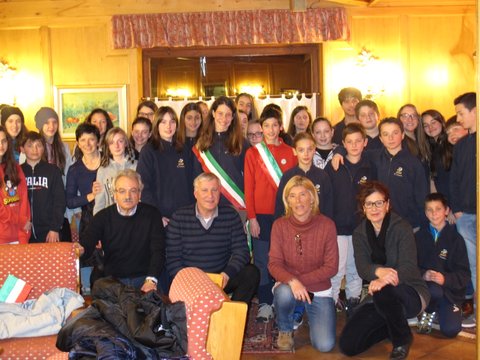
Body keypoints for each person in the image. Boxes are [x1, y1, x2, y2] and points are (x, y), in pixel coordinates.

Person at [339, 181, 430, 360]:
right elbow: (362, 268)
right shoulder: (360, 233)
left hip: (411, 291)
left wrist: (384, 280)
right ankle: (391, 327)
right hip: (380, 297)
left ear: (387, 204)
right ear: (363, 208)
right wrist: (379, 272)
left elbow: (409, 267)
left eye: (379, 202)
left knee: (384, 290)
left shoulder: (402, 227)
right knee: (348, 345)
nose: (374, 208)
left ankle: (402, 340)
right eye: (369, 204)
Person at [166, 172, 259, 304]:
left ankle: (231, 315)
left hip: (221, 278)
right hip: (191, 282)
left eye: (214, 190)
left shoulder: (230, 216)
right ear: (195, 194)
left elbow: (242, 252)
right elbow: (173, 260)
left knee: (251, 273)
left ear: (220, 193)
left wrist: (226, 274)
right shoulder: (179, 218)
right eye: (204, 190)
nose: (210, 196)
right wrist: (195, 282)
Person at [269, 175, 338, 352]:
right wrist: (293, 282)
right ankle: (285, 329)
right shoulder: (279, 225)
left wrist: (299, 281)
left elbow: (331, 267)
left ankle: (302, 307)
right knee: (283, 293)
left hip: (318, 290)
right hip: (290, 288)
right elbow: (274, 264)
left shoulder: (327, 225)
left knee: (325, 345)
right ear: (287, 200)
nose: (298, 201)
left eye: (303, 195)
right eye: (292, 196)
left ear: (312, 198)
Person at [244, 107, 297, 322]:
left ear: (281, 127)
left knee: (285, 259)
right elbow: (249, 186)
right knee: (262, 261)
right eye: (266, 126)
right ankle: (265, 302)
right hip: (261, 216)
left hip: (284, 216)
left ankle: (283, 300)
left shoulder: (290, 152)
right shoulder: (253, 153)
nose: (271, 129)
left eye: (275, 125)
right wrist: (252, 217)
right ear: (261, 129)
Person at [78, 169, 165, 292]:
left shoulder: (152, 215)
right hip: (113, 281)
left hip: (145, 279)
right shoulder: (102, 217)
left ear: (140, 194)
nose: (128, 196)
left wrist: (151, 280)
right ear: (115, 194)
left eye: (133, 191)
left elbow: (158, 251)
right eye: (122, 191)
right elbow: (87, 242)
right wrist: (80, 249)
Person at [325, 123, 374, 313]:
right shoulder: (334, 166)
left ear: (365, 142)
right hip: (337, 226)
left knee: (356, 266)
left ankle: (353, 299)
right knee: (337, 267)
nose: (354, 145)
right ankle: (332, 299)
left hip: (360, 227)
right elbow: (327, 196)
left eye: (358, 141)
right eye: (349, 142)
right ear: (343, 144)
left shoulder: (370, 167)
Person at [415, 193, 470, 337]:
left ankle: (442, 309)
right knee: (434, 291)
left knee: (451, 330)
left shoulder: (457, 239)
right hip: (429, 289)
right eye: (429, 209)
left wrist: (445, 279)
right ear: (425, 212)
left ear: (446, 211)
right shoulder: (418, 237)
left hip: (449, 292)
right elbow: (410, 266)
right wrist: (423, 274)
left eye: (438, 209)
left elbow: (464, 275)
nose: (434, 213)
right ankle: (428, 310)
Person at [137, 106, 193, 226]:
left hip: (186, 216)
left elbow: (192, 183)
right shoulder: (148, 151)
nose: (168, 126)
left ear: (177, 125)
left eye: (172, 122)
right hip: (161, 218)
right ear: (157, 125)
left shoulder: (184, 149)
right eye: (163, 122)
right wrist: (156, 216)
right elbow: (143, 187)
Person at [450, 92, 477, 327]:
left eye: (461, 113)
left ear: (475, 110)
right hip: (466, 216)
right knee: (474, 266)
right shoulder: (463, 145)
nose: (458, 119)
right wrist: (457, 210)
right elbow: (454, 180)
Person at [193, 96, 249, 210]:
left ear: (233, 117)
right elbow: (196, 177)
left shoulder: (242, 143)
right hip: (208, 205)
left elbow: (249, 177)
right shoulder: (200, 143)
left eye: (228, 114)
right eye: (220, 113)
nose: (224, 118)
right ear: (213, 113)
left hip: (236, 205)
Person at [35, 106, 74, 241]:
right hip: (40, 207)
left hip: (60, 204)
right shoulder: (32, 147)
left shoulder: (64, 147)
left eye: (54, 122)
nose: (51, 126)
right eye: (46, 122)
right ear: (40, 125)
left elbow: (69, 176)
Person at [21, 131, 66, 243]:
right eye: (30, 145)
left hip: (49, 232)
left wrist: (55, 228)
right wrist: (21, 221)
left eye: (39, 145)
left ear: (44, 148)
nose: (35, 150)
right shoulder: (17, 172)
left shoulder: (53, 171)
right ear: (22, 149)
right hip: (24, 230)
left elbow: (60, 201)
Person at [93, 127, 137, 215]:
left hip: (134, 216)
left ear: (125, 143)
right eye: (112, 143)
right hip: (111, 217)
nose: (116, 146)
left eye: (120, 141)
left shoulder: (136, 166)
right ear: (108, 146)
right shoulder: (102, 170)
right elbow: (100, 201)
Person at [0, 125, 30, 244]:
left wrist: (23, 235)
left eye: (3, 141)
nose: (1, 146)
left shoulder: (15, 167)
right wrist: (21, 221)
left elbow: (24, 201)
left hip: (19, 236)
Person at [418, 110, 453, 201]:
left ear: (441, 122)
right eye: (426, 125)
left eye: (433, 122)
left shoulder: (451, 144)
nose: (430, 127)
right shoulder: (431, 148)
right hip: (443, 201)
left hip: (456, 202)